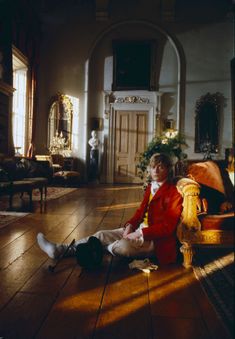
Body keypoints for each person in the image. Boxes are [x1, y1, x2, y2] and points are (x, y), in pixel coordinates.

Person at [37, 153, 183, 265]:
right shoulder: (151, 187)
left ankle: (97, 248)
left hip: (155, 242)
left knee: (123, 246)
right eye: (153, 166)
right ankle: (60, 249)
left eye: (161, 167)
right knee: (100, 235)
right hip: (138, 231)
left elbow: (167, 228)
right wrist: (130, 226)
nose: (156, 170)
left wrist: (139, 233)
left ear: (168, 170)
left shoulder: (174, 193)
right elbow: (140, 212)